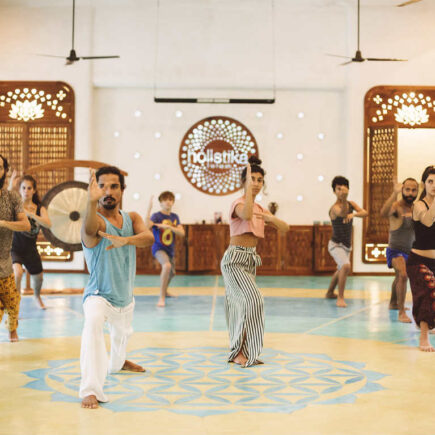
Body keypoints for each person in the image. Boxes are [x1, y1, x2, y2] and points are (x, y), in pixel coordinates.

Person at [79, 166, 154, 409]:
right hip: (98, 295)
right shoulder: (95, 219)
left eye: (114, 186)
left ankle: (118, 363)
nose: (108, 191)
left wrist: (126, 240)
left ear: (122, 190)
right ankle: (90, 389)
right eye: (102, 186)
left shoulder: (132, 218)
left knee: (121, 340)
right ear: (95, 189)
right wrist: (90, 204)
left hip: (125, 297)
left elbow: (149, 238)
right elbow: (89, 232)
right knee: (92, 325)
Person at [220, 156, 289, 367]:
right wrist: (248, 192)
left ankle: (245, 352)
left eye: (259, 180)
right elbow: (247, 213)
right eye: (252, 179)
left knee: (243, 305)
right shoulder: (238, 204)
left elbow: (285, 229)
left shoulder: (261, 209)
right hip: (234, 260)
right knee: (253, 300)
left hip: (249, 261)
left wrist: (271, 219)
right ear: (244, 182)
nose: (256, 183)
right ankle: (238, 352)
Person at [9, 173, 52, 309]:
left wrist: (31, 214)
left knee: (38, 278)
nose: (26, 191)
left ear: (34, 190)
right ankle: (15, 302)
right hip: (14, 247)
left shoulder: (40, 208)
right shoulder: (15, 205)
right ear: (19, 190)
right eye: (23, 188)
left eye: (29, 188)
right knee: (17, 273)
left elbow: (48, 224)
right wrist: (10, 183)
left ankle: (37, 296)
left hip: (30, 249)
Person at [0, 155, 30, 342]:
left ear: (4, 171)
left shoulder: (12, 198)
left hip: (4, 265)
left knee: (13, 305)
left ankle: (12, 329)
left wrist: (3, 223)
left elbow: (25, 225)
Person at [325, 176, 368, 307]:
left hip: (346, 245)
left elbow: (365, 213)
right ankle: (341, 298)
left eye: (343, 188)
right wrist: (344, 199)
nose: (341, 191)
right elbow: (343, 214)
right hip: (335, 244)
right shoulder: (334, 207)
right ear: (334, 191)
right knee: (346, 266)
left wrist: (354, 214)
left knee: (340, 269)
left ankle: (330, 292)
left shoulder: (351, 204)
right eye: (338, 189)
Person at [380, 177, 418, 323]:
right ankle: (401, 312)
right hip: (395, 250)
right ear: (402, 190)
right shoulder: (396, 206)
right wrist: (393, 193)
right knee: (403, 275)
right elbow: (383, 213)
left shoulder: (416, 208)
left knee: (398, 276)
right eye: (407, 189)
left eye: (413, 190)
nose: (410, 193)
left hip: (410, 251)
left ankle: (393, 303)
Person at [406, 165, 435, 352]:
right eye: (431, 181)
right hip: (418, 260)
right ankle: (423, 338)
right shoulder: (418, 205)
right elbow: (427, 220)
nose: (434, 185)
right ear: (424, 183)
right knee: (428, 290)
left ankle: (426, 325)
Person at [146, 192, 185, 307]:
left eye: (170, 199)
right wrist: (148, 209)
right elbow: (146, 225)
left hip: (170, 249)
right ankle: (161, 297)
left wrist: (169, 227)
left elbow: (182, 233)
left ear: (173, 202)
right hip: (158, 248)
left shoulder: (174, 217)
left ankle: (165, 291)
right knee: (167, 266)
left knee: (171, 273)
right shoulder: (156, 216)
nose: (168, 201)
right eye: (165, 200)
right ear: (161, 202)